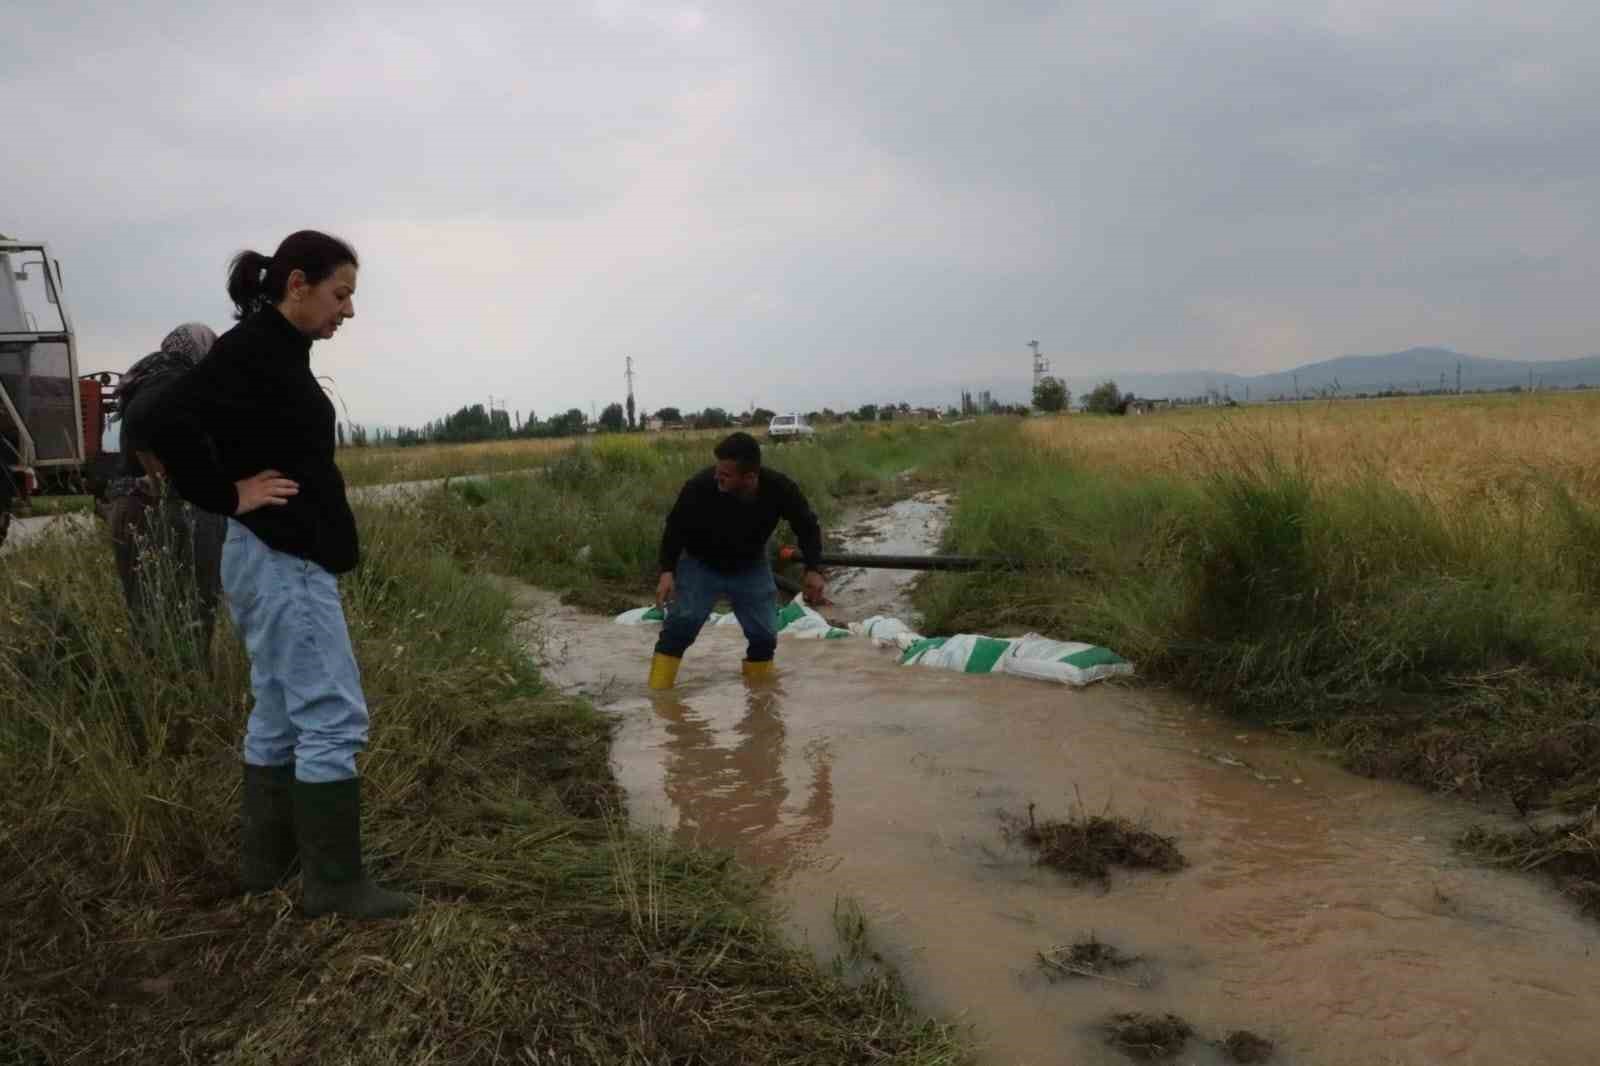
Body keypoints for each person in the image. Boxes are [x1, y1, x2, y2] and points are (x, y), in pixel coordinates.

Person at [149, 230, 413, 920]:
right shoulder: (255, 350)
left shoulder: (273, 349)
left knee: (278, 710)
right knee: (331, 713)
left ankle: (267, 868)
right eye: (341, 294)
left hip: (269, 557)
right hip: (283, 562)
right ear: (297, 283)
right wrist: (226, 494)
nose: (348, 311)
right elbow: (160, 417)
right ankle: (336, 886)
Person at [650, 431, 826, 689]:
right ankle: (658, 698)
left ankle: (760, 705)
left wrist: (813, 569)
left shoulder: (779, 488)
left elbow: (807, 525)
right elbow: (675, 527)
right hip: (701, 564)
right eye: (717, 470)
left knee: (765, 636)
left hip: (750, 566)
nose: (717, 477)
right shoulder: (699, 487)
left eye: (726, 474)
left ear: (750, 477)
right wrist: (667, 571)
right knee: (682, 625)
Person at [106, 324, 226, 670]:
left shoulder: (145, 375)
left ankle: (153, 679)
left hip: (127, 507)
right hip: (169, 507)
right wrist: (163, 479)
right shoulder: (176, 377)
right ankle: (190, 681)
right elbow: (144, 422)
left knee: (145, 603)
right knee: (195, 599)